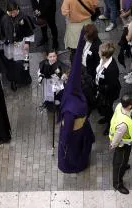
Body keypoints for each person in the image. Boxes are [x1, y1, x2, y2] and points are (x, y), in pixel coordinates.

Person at [57, 30, 95, 174]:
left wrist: (63, 141)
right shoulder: (80, 97)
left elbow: (67, 129)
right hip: (82, 129)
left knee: (72, 153)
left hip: (73, 135)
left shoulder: (70, 108)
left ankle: (73, 166)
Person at [109, 95, 132, 195]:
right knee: (118, 164)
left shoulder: (120, 105)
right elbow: (117, 136)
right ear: (129, 106)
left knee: (124, 159)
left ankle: (124, 165)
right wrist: (113, 144)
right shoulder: (123, 124)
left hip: (126, 142)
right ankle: (117, 184)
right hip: (122, 144)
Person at [95, 43, 120, 126]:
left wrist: (99, 88)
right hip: (102, 90)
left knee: (108, 109)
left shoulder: (111, 69)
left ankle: (110, 124)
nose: (98, 52)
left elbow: (111, 86)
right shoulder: (103, 60)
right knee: (105, 109)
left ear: (104, 55)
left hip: (108, 95)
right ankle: (106, 118)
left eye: (99, 51)